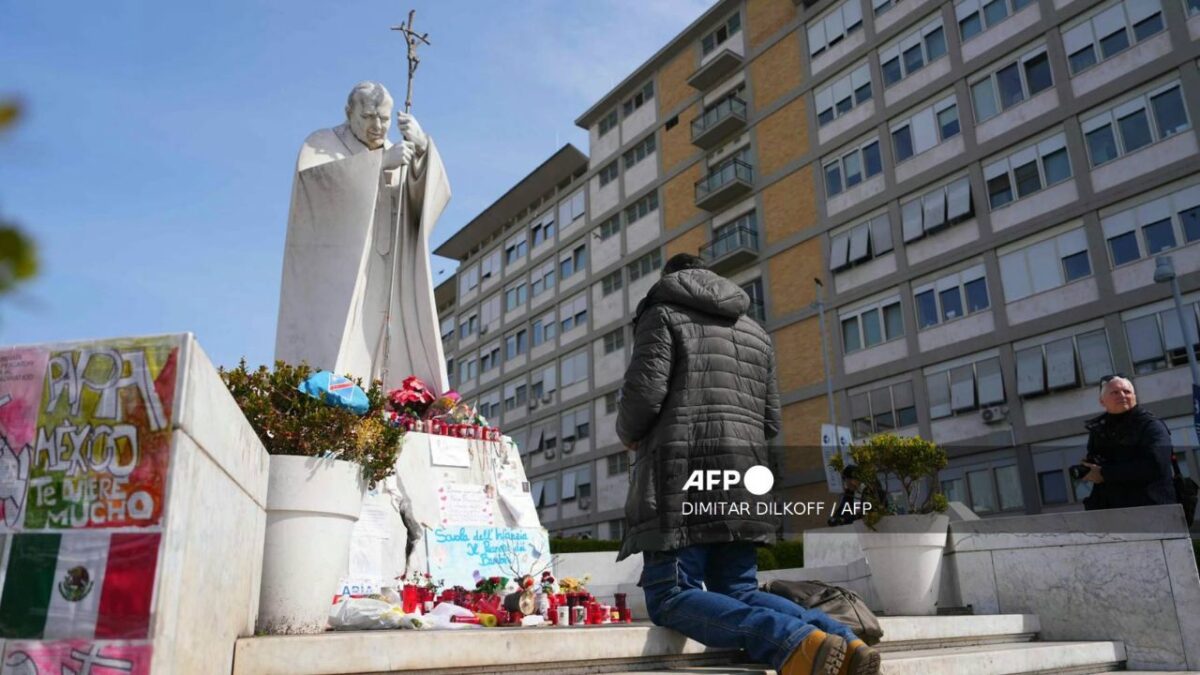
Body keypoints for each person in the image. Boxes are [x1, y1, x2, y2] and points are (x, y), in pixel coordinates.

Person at [616, 253, 880, 675]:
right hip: (744, 479)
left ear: (671, 279)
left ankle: (793, 643)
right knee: (737, 588)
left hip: (681, 478)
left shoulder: (661, 313)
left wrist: (628, 434)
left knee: (670, 595)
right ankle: (844, 642)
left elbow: (643, 397)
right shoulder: (756, 331)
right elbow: (771, 420)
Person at [275, 81, 451, 392]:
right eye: (369, 116)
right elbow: (317, 189)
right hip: (342, 275)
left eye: (384, 118)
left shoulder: (399, 152)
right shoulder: (322, 145)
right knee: (341, 349)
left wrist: (422, 152)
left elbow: (422, 206)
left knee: (387, 347)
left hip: (389, 273)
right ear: (349, 112)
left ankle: (395, 401)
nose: (377, 126)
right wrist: (378, 165)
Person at [1079, 375, 1176, 510]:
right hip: (1110, 511)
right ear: (1102, 401)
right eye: (1115, 392)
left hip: (1150, 507)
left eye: (1127, 392)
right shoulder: (1099, 430)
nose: (1122, 395)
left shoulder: (1150, 425)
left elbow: (1156, 465)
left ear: (1135, 397)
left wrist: (1104, 473)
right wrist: (1091, 471)